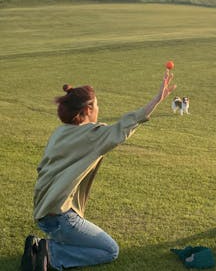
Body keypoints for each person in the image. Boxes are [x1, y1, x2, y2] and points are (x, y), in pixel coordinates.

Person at [21, 70, 176, 271]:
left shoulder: (60, 133)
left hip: (44, 214)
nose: (98, 109)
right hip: (61, 217)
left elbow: (42, 168)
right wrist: (156, 100)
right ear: (87, 109)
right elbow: (122, 128)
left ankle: (43, 246)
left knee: (84, 237)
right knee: (110, 250)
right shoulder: (91, 134)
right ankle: (49, 252)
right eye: (97, 105)